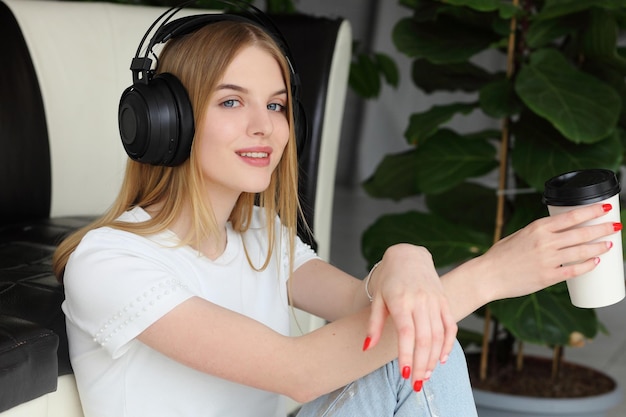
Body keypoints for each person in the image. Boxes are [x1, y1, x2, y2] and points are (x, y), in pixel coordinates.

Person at [52, 7, 620, 417]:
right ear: (165, 122)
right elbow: (296, 373)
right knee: (422, 334)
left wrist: (405, 260)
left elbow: (364, 304)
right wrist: (490, 275)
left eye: (275, 105)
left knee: (423, 336)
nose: (264, 126)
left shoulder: (255, 236)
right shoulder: (109, 261)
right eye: (231, 101)